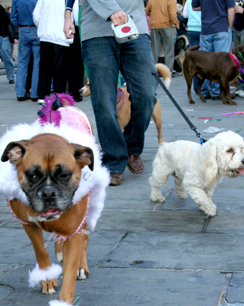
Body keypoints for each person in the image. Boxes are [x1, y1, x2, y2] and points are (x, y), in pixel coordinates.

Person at [64, 0, 158, 186]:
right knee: (104, 102)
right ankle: (114, 158)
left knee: (147, 94)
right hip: (98, 30)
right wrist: (69, 12)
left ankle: (132, 146)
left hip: (134, 25)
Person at [192, 0, 235, 100]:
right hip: (221, 28)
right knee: (221, 62)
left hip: (206, 29)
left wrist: (208, 9)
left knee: (205, 62)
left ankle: (204, 90)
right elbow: (231, 10)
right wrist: (230, 28)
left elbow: (195, 7)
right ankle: (217, 91)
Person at [33, 0, 74, 104]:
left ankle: (42, 95)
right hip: (62, 36)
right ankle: (58, 96)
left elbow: (36, 14)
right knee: (60, 71)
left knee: (45, 68)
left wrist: (42, 26)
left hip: (46, 35)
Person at [11, 0, 40, 102]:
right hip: (36, 28)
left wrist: (19, 27)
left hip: (23, 29)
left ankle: (20, 92)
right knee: (37, 63)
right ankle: (35, 93)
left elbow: (13, 17)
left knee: (22, 63)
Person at [146, 0, 179, 73]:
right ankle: (167, 71)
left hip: (154, 26)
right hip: (168, 26)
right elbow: (173, 15)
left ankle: (153, 71)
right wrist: (176, 24)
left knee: (154, 50)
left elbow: (147, 11)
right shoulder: (170, 0)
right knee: (169, 51)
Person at [183, 0, 202, 94]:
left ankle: (196, 88)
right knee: (205, 59)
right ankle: (204, 87)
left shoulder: (189, 1)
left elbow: (185, 15)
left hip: (192, 29)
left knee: (194, 60)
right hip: (203, 28)